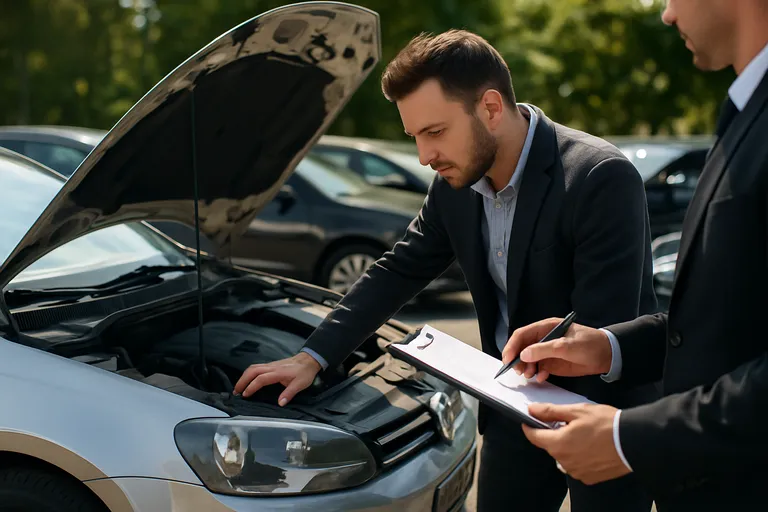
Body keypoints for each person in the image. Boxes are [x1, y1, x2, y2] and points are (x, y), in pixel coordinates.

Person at [234, 29, 657, 512]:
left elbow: (607, 325)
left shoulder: (598, 176)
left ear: (491, 108)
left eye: (435, 132)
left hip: (602, 418)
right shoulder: (452, 184)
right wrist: (312, 357)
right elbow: (398, 269)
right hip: (511, 418)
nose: (423, 156)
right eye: (415, 137)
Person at [502, 1, 768, 510]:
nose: (666, 14)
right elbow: (733, 325)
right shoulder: (745, 108)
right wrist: (607, 347)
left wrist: (631, 438)